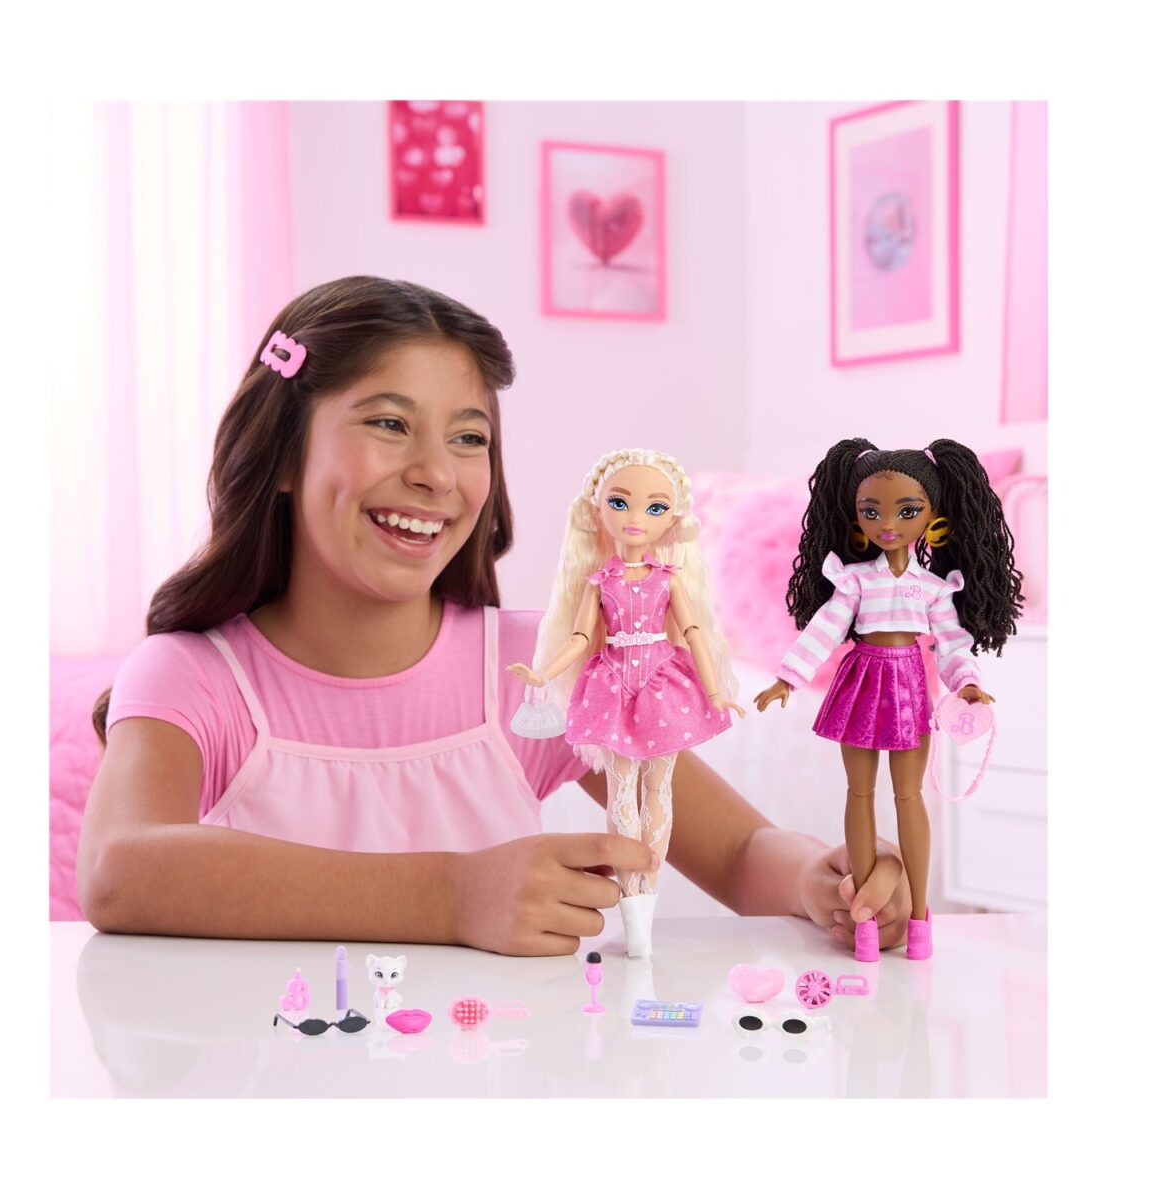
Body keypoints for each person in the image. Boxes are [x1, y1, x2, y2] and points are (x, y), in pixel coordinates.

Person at [77, 276, 911, 956]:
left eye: (469, 438)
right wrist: (452, 897)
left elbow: (734, 851)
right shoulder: (193, 675)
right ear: (284, 452)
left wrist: (818, 878)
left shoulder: (535, 668)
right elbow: (121, 870)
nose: (437, 474)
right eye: (391, 424)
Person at [754, 438, 1023, 962]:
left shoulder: (935, 588)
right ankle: (865, 921)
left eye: (907, 510)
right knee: (858, 793)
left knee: (909, 796)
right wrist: (789, 677)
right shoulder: (854, 579)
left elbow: (952, 644)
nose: (888, 523)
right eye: (871, 511)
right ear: (856, 516)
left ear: (932, 514)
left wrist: (966, 683)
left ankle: (920, 917)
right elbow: (825, 628)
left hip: (908, 686)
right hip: (861, 679)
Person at [507, 448, 746, 957]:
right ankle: (631, 900)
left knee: (658, 789)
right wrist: (543, 672)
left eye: (655, 508)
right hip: (613, 681)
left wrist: (715, 690)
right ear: (599, 511)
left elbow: (695, 633)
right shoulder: (599, 583)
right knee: (621, 792)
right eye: (620, 503)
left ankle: (645, 905)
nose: (636, 518)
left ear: (672, 519)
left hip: (662, 681)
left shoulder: (668, 579)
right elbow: (578, 638)